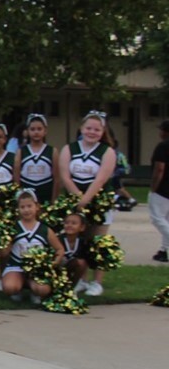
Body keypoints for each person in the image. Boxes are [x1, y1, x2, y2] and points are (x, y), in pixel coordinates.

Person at [58, 111, 117, 296]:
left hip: (98, 201)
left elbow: (100, 179)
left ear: (103, 131)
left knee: (98, 241)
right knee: (78, 240)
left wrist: (86, 199)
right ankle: (80, 279)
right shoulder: (69, 148)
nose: (92, 132)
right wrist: (77, 197)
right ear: (81, 129)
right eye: (88, 128)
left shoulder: (107, 152)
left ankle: (97, 282)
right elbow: (65, 175)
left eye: (97, 129)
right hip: (74, 200)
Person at [1, 189, 64, 304]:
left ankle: (33, 290)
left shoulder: (45, 229)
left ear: (37, 207)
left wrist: (53, 264)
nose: (26, 210)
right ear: (18, 210)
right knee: (10, 287)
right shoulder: (13, 228)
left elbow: (59, 249)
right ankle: (18, 288)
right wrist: (4, 240)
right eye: (22, 207)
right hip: (16, 266)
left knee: (43, 289)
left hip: (37, 269)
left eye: (29, 206)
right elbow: (4, 253)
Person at [14, 114, 56, 202]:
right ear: (27, 131)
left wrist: (54, 200)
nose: (36, 132)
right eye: (32, 129)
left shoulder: (52, 151)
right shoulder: (21, 151)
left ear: (45, 131)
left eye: (39, 129)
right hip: (26, 194)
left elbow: (57, 178)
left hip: (46, 192)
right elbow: (16, 178)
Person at [150, 120, 169, 262]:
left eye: (161, 130)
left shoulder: (163, 146)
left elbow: (159, 169)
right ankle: (164, 251)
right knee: (167, 220)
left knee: (157, 218)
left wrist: (153, 188)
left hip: (163, 189)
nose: (159, 132)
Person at [61, 213, 93, 294]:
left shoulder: (83, 242)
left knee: (81, 263)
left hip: (71, 268)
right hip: (58, 268)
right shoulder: (58, 239)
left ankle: (71, 287)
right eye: (67, 223)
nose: (69, 225)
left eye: (74, 223)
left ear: (82, 227)